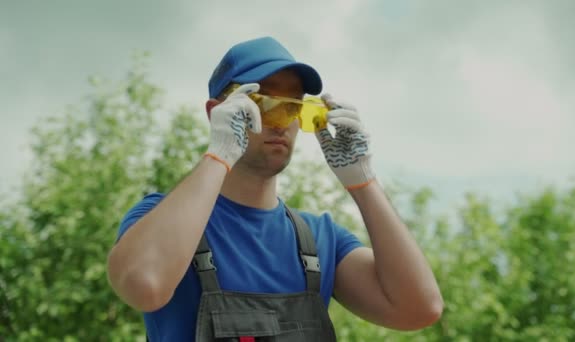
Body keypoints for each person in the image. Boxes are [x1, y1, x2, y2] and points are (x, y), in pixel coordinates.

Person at [106, 36, 443, 341]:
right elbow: (143, 286)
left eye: (293, 107)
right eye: (264, 104)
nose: (281, 122)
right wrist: (218, 154)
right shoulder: (159, 219)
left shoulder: (320, 240)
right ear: (217, 112)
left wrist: (363, 180)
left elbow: (418, 308)